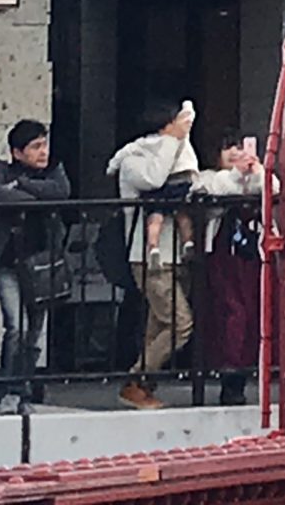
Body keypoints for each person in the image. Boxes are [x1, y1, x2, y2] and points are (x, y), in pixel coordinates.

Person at [108, 100, 201, 409]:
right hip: (146, 258)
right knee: (179, 323)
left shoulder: (174, 155)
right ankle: (134, 379)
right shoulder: (134, 159)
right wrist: (172, 141)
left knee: (158, 324)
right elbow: (153, 180)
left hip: (174, 255)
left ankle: (142, 387)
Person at [0, 118, 70, 415]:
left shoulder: (53, 171)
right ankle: (9, 390)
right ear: (17, 152)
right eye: (35, 147)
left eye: (44, 144)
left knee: (33, 331)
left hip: (41, 263)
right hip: (7, 261)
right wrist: (32, 194)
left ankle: (23, 389)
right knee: (15, 327)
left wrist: (21, 185)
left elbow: (60, 192)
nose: (43, 152)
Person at [191, 131, 265, 406]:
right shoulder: (208, 178)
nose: (235, 153)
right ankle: (229, 378)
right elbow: (216, 191)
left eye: (239, 147)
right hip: (222, 259)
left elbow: (275, 190)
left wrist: (256, 171)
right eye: (227, 148)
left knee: (252, 317)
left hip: (251, 258)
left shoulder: (257, 174)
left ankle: (243, 374)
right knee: (230, 315)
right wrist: (239, 176)